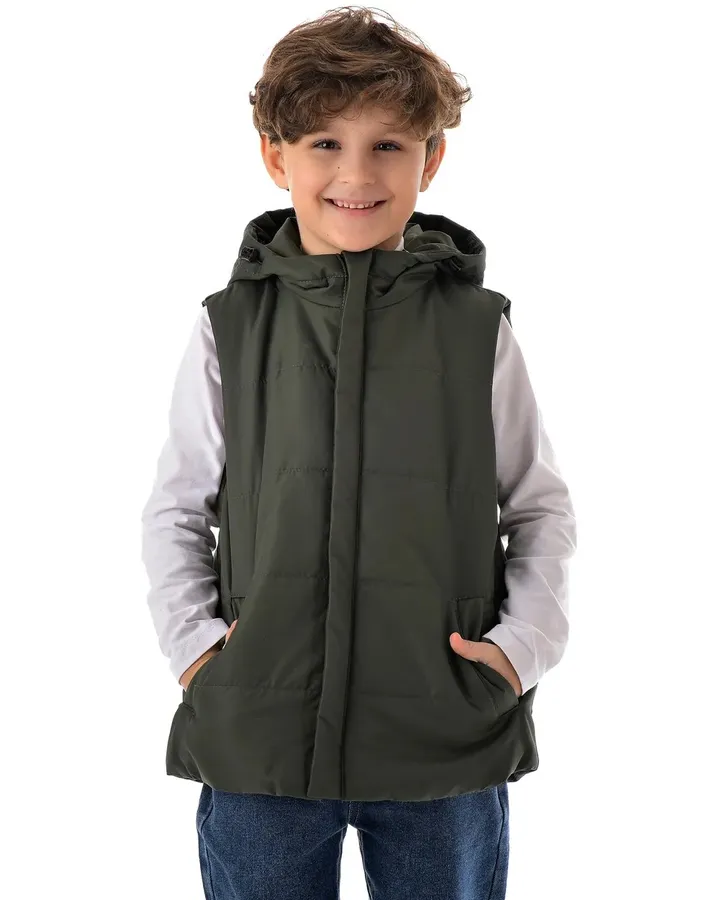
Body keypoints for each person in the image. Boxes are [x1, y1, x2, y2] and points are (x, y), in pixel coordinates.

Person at [140, 6, 577, 899]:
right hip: (260, 735)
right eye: (325, 144)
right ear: (276, 157)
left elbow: (538, 507)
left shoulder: (476, 330)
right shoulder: (231, 326)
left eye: (388, 146)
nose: (356, 174)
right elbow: (178, 507)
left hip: (442, 735)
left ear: (431, 159)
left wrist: (517, 653)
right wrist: (200, 654)